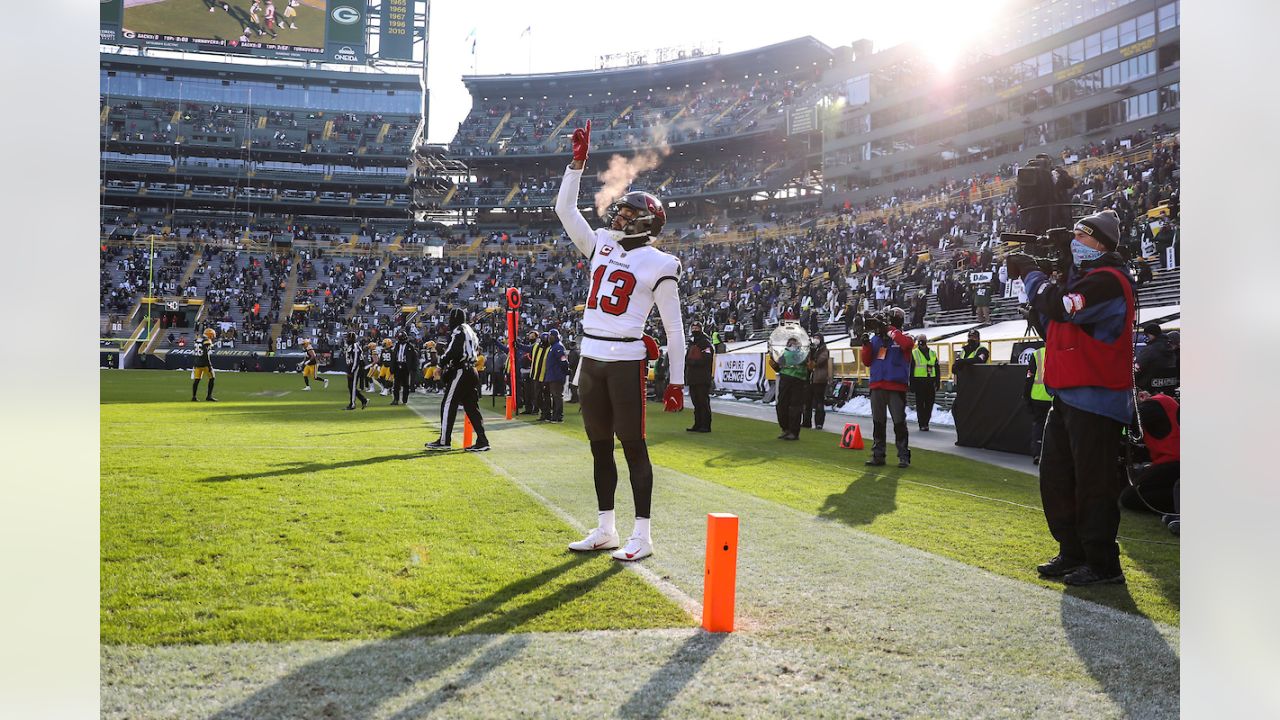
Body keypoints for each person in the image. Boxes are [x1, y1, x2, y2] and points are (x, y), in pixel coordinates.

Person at [555, 118, 685, 562]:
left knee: (633, 446)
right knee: (597, 446)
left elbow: (674, 329)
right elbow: (565, 212)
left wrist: (676, 381)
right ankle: (606, 527)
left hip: (625, 360)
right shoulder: (602, 245)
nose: (619, 216)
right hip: (590, 356)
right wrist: (576, 165)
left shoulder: (661, 263)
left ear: (646, 222)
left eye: (629, 214)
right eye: (621, 211)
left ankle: (643, 536)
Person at [1006, 209, 1137, 586]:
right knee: (1056, 478)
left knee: (1094, 482)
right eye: (1073, 237)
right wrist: (1039, 300)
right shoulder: (1085, 282)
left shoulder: (1109, 281)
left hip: (1098, 399)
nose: (1075, 244)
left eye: (1082, 236)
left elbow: (1063, 308)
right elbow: (1057, 324)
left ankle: (1103, 564)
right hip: (1066, 396)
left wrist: (1032, 275)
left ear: (1103, 243)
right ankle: (1072, 551)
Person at [425, 308, 490, 452]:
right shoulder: (470, 331)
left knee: (448, 404)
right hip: (471, 370)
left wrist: (440, 365)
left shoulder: (459, 331)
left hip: (462, 370)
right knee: (472, 408)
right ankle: (482, 440)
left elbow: (454, 350)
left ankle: (444, 441)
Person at [860, 307, 914, 467]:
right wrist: (866, 345)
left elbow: (907, 345)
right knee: (878, 422)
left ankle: (903, 455)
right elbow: (867, 361)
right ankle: (878, 455)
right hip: (877, 384)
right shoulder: (876, 340)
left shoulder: (904, 336)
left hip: (896, 386)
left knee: (899, 422)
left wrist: (890, 330)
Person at [1119, 391, 1180, 530]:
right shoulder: (1165, 401)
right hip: (1173, 461)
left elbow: (1131, 420)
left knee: (1130, 497)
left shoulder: (1151, 405)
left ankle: (1178, 502)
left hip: (1172, 461)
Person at [769, 336, 809, 441]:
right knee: (781, 405)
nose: (792, 345)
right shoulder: (784, 354)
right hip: (785, 380)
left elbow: (809, 365)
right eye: (790, 343)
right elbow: (778, 367)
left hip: (798, 380)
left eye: (794, 343)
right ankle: (785, 429)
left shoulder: (803, 354)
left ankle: (794, 432)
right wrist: (773, 361)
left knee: (795, 406)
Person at [684, 319, 715, 433]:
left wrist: (693, 362)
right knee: (696, 402)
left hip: (702, 377)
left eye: (696, 328)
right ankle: (697, 424)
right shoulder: (692, 343)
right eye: (693, 328)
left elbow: (707, 359)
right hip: (693, 377)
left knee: (703, 402)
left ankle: (706, 425)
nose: (694, 330)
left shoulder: (705, 343)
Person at [1024, 345, 1052, 464]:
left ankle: (1037, 453)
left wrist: (1026, 395)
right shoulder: (1059, 350)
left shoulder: (1037, 354)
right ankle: (1051, 455)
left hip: (1037, 397)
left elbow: (1029, 377)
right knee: (1053, 427)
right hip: (1053, 396)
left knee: (1038, 426)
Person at [1134, 322, 1178, 394]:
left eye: (1147, 335)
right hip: (1169, 390)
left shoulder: (1149, 350)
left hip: (1148, 391)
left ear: (1151, 334)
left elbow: (1137, 368)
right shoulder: (1171, 349)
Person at [910, 334, 940, 431]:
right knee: (920, 404)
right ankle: (922, 423)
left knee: (929, 404)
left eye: (923, 340)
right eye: (920, 340)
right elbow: (911, 369)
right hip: (919, 381)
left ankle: (926, 422)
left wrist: (937, 381)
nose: (921, 342)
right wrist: (911, 383)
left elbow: (937, 368)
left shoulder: (932, 353)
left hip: (930, 381)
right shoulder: (914, 353)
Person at [802, 332, 831, 430]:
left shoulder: (824, 351)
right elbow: (807, 362)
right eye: (815, 337)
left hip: (819, 380)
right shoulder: (811, 350)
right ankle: (806, 421)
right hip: (810, 379)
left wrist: (813, 355)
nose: (816, 339)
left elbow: (818, 363)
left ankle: (819, 423)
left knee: (819, 402)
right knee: (807, 401)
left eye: (818, 338)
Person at [543, 329, 570, 423]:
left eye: (551, 337)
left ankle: (558, 416)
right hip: (552, 375)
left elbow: (563, 361)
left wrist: (565, 371)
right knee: (554, 396)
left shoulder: (558, 347)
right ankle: (555, 415)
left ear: (556, 337)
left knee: (557, 396)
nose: (549, 338)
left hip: (556, 376)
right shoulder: (553, 347)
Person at [342, 332, 368, 411]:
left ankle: (352, 404)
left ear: (352, 338)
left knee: (353, 387)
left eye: (348, 338)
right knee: (350, 386)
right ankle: (363, 400)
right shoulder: (350, 346)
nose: (347, 339)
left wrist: (351, 371)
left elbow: (356, 360)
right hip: (351, 367)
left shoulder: (355, 346)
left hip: (356, 368)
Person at [391, 330, 417, 405]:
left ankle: (404, 400)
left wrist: (413, 367)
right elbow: (394, 357)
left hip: (405, 366)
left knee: (406, 384)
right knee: (396, 384)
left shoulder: (410, 346)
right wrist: (392, 367)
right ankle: (396, 399)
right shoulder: (397, 346)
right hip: (397, 366)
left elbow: (414, 358)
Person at [191, 327, 218, 402]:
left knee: (196, 380)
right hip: (204, 363)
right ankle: (209, 396)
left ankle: (194, 397)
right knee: (212, 378)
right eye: (212, 335)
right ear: (209, 335)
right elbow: (206, 353)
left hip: (197, 362)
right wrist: (209, 365)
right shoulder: (207, 340)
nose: (213, 337)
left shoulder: (198, 339)